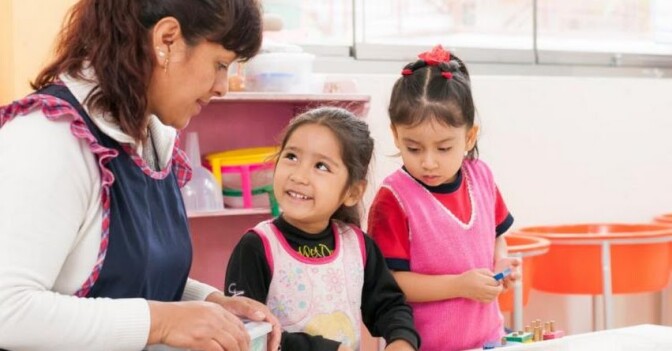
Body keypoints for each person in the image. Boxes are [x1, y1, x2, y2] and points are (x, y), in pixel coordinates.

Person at [0, 0, 281, 350]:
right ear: (167, 40)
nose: (223, 86)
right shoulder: (50, 137)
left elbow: (127, 276)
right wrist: (162, 322)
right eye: (220, 64)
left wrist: (208, 304)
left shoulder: (151, 137)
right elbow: (7, 311)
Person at [225, 107, 420, 351]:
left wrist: (402, 341)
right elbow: (247, 334)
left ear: (352, 192)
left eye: (321, 166)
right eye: (291, 157)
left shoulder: (358, 246)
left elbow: (389, 306)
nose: (299, 176)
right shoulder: (256, 247)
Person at [367, 45, 520, 351]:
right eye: (413, 148)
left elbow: (496, 236)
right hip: (425, 345)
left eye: (444, 148)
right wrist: (459, 286)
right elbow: (392, 282)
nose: (428, 162)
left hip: (489, 338)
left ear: (470, 136)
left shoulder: (482, 179)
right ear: (396, 135)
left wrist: (500, 261)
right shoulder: (393, 199)